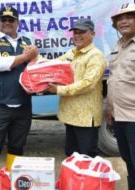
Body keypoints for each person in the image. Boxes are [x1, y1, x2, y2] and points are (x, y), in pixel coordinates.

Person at [0, 6, 38, 172]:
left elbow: (35, 67)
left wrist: (35, 57)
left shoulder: (27, 42)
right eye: (3, 20)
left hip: (23, 103)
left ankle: (12, 180)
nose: (7, 23)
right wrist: (26, 57)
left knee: (17, 146)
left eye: (11, 20)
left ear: (17, 22)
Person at [106, 3, 135, 190]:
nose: (123, 21)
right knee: (129, 162)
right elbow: (114, 81)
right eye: (120, 19)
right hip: (119, 117)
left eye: (129, 17)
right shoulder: (118, 46)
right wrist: (110, 110)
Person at [48, 18, 106, 157]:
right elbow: (55, 64)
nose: (77, 35)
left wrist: (58, 90)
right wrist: (35, 60)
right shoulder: (72, 52)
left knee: (86, 160)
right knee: (72, 156)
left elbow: (87, 84)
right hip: (71, 116)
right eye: (75, 32)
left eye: (82, 32)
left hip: (85, 118)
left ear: (92, 33)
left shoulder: (95, 56)